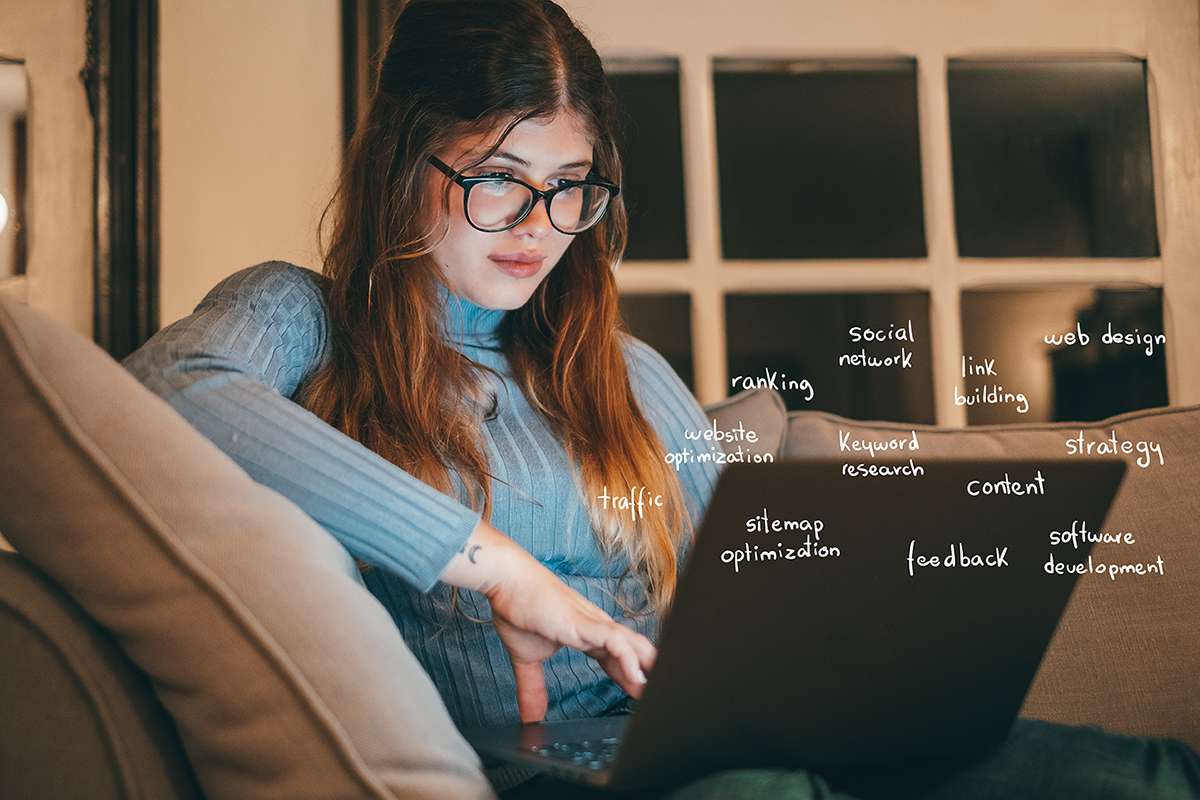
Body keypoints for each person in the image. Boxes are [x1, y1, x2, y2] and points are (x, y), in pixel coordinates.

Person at [123, 1, 1200, 797]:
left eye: (570, 185)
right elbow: (162, 395)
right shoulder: (301, 317)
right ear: (406, 162)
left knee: (1134, 773)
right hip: (536, 769)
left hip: (705, 737)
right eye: (498, 176)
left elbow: (743, 573)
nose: (540, 225)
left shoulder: (624, 369)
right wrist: (501, 566)